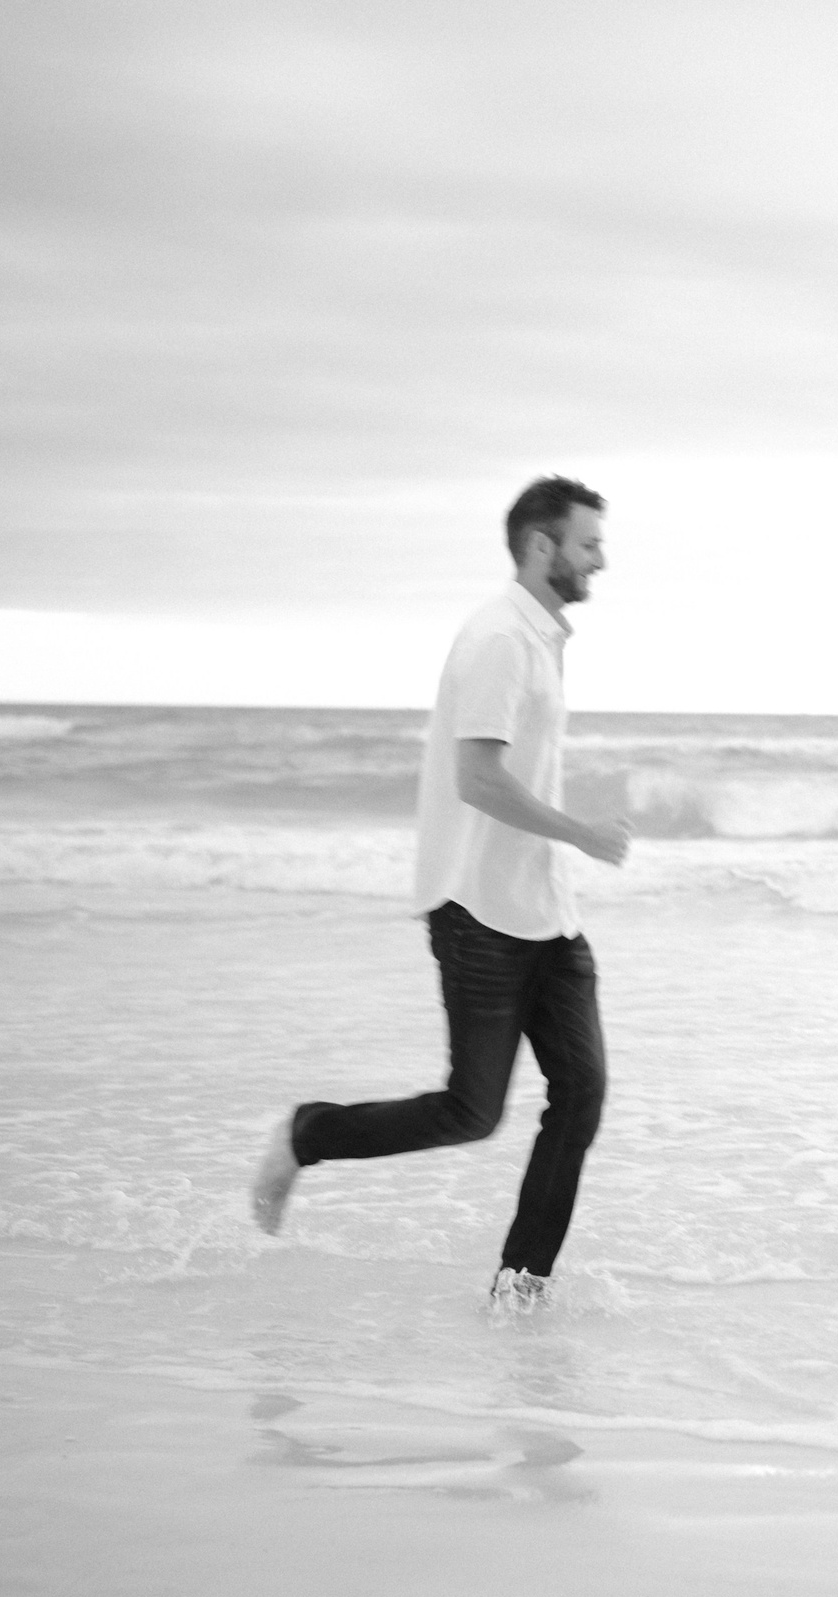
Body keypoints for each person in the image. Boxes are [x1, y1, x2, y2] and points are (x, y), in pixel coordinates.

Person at [249, 475, 632, 1302]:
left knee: (583, 1092)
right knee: (472, 1110)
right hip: (478, 912)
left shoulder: (540, 637)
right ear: (542, 546)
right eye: (588, 541)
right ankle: (307, 1133)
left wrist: (564, 855)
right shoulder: (498, 638)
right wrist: (583, 833)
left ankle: (522, 1283)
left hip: (544, 912)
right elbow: (478, 780)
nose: (601, 557)